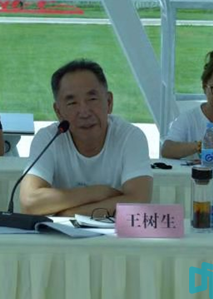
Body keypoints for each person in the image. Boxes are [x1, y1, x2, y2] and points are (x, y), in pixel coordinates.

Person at [19, 59, 152, 217]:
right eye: (72, 103)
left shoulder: (130, 137)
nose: (84, 112)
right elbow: (29, 203)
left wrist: (67, 214)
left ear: (109, 102)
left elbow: (138, 202)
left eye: (92, 99)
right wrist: (98, 192)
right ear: (58, 111)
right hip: (60, 234)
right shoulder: (48, 138)